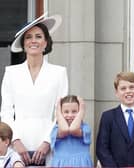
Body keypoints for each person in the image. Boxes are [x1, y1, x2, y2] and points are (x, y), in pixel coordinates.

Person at [0, 13, 68, 166]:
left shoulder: (59, 73)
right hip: (17, 143)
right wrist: (15, 140)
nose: (33, 41)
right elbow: (6, 112)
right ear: (23, 44)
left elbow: (61, 112)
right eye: (28, 37)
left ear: (45, 43)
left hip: (48, 144)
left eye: (38, 36)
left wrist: (47, 142)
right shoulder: (11, 73)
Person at [96, 72, 134, 167]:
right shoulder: (108, 117)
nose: (128, 91)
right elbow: (102, 148)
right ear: (116, 93)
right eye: (123, 88)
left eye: (132, 87)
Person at [50, 95, 93, 167]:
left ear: (80, 112)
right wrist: (58, 111)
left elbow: (73, 129)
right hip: (61, 164)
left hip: (81, 164)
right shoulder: (56, 130)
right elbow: (65, 130)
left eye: (74, 111)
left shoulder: (85, 128)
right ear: (60, 113)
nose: (70, 115)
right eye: (66, 112)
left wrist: (82, 110)